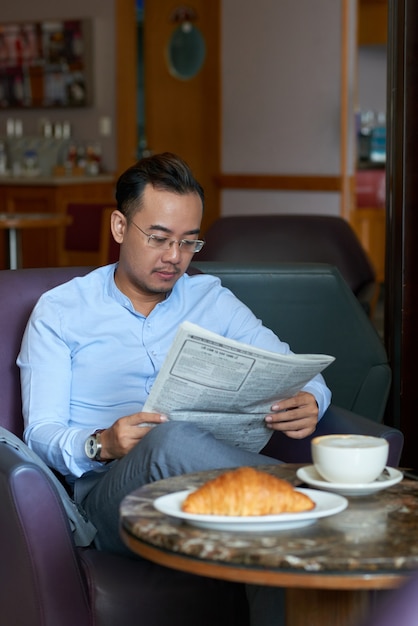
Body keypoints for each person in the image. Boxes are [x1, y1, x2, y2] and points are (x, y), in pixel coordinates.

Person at [18, 152, 331, 625]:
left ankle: (293, 511)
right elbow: (40, 432)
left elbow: (297, 367)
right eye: (160, 238)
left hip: (212, 491)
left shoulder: (210, 298)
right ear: (120, 227)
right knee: (170, 436)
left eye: (189, 242)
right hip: (109, 499)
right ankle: (314, 499)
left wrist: (312, 398)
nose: (174, 258)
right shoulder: (60, 312)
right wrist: (102, 443)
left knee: (272, 541)